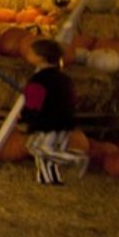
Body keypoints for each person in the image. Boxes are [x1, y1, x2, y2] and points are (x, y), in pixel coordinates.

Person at [21, 38, 88, 186]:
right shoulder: (63, 78)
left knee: (37, 148)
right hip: (64, 120)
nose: (27, 54)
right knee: (45, 151)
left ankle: (76, 158)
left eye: (31, 52)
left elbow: (33, 104)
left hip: (47, 122)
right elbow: (70, 99)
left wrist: (27, 117)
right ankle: (49, 179)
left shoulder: (38, 79)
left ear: (41, 57)